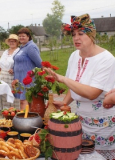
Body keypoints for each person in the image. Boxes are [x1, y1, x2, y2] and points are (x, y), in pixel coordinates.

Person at [44, 14, 115, 160]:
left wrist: (63, 79)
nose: (76, 38)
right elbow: (74, 86)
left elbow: (92, 93)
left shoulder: (106, 59)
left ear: (92, 35)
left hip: (103, 124)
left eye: (81, 34)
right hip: (81, 121)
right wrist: (63, 104)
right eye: (73, 34)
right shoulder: (74, 56)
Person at [13, 28, 42, 110]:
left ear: (28, 36)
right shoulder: (22, 47)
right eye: (20, 36)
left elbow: (39, 63)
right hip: (20, 78)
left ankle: (24, 120)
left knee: (25, 100)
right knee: (25, 101)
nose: (21, 38)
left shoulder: (31, 47)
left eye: (23, 36)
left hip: (28, 79)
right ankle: (27, 118)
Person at [0, 34, 20, 109]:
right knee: (4, 93)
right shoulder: (6, 51)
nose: (11, 43)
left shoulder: (19, 51)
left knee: (12, 93)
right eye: (10, 41)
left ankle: (14, 110)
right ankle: (5, 110)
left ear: (17, 42)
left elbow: (20, 63)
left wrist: (14, 68)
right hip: (3, 76)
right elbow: (1, 62)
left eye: (13, 41)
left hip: (12, 76)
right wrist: (0, 67)